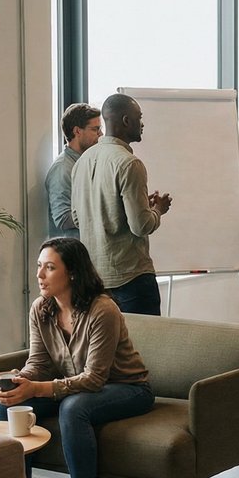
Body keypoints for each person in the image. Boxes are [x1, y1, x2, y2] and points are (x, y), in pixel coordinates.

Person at [0, 238, 154, 478]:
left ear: (73, 274)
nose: (40, 274)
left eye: (50, 267)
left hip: (128, 388)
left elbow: (94, 379)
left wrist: (38, 387)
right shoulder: (41, 308)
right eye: (39, 266)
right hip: (77, 387)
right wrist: (18, 381)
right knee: (9, 404)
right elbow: (38, 363)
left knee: (73, 408)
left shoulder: (102, 310)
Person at [71, 93, 172, 315]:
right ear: (126, 121)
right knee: (143, 348)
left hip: (96, 281)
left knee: (107, 349)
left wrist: (137, 205)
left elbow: (78, 218)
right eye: (139, 117)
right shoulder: (129, 163)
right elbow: (141, 226)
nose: (142, 124)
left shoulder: (82, 162)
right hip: (131, 279)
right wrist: (157, 210)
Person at [45, 103, 101, 239]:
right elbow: (62, 219)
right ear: (77, 131)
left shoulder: (87, 162)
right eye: (95, 129)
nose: (101, 134)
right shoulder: (62, 169)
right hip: (72, 254)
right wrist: (102, 211)